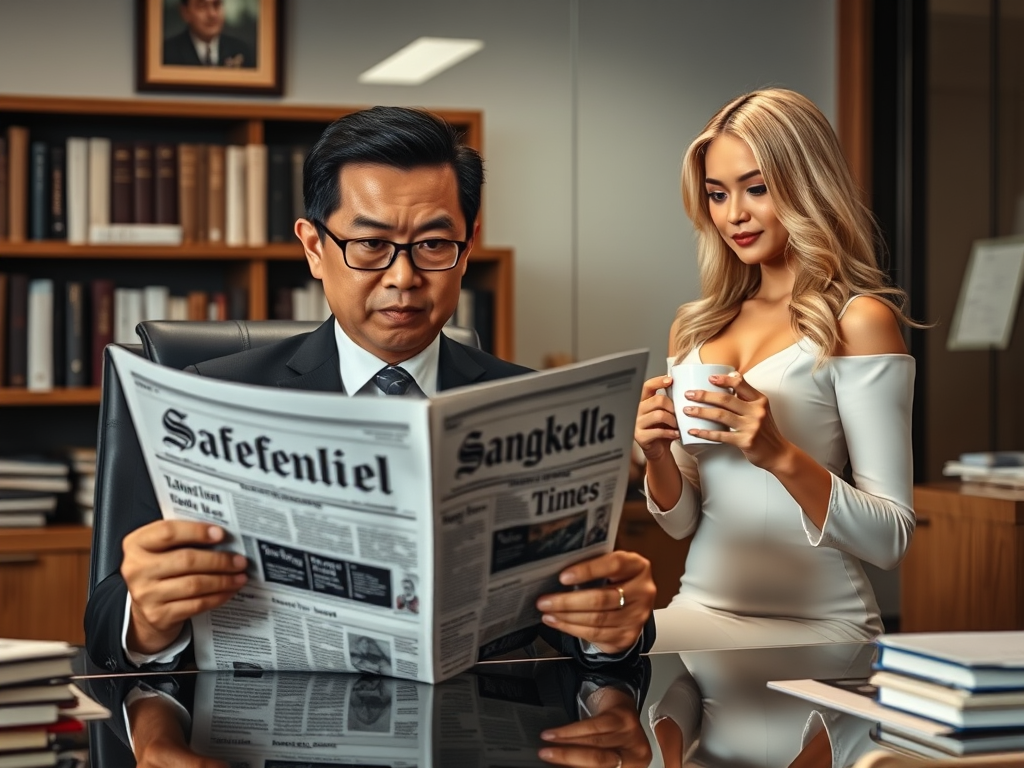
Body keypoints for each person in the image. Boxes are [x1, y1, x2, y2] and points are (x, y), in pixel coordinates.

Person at [85, 106, 656, 674]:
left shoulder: (535, 403)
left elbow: (589, 606)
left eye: (434, 245)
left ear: (470, 243)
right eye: (370, 246)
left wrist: (615, 625)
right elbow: (107, 615)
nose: (403, 278)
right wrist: (147, 615)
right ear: (313, 247)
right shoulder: (202, 398)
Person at [634, 88, 917, 650]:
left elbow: (891, 539)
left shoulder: (858, 321)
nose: (733, 214)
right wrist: (657, 455)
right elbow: (682, 521)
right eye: (717, 195)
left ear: (806, 185)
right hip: (700, 610)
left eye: (756, 189)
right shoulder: (694, 329)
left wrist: (778, 453)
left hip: (821, 626)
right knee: (585, 672)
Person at [163, 0, 255, 68]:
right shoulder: (167, 53)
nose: (212, 14)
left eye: (216, 5)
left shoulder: (241, 50)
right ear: (185, 12)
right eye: (202, 6)